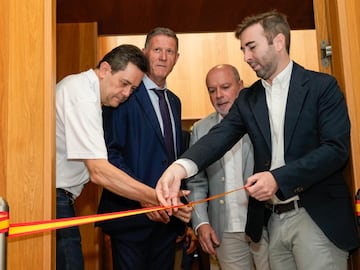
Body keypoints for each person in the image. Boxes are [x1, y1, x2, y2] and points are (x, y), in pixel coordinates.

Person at [156, 10, 360, 270]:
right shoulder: (249, 99)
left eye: (251, 47)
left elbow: (335, 150)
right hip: (272, 222)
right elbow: (219, 136)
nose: (246, 57)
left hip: (316, 217)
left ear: (278, 42)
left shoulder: (322, 87)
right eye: (243, 49)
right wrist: (180, 167)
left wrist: (278, 178)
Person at [56, 44, 170, 270]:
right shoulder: (82, 96)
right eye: (124, 83)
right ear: (105, 69)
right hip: (54, 199)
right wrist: (155, 196)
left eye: (133, 89)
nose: (127, 94)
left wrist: (146, 197)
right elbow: (99, 171)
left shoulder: (87, 94)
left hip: (61, 199)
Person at [97, 27, 192, 270]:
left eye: (169, 51)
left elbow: (174, 158)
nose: (163, 57)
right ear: (144, 52)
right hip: (131, 218)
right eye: (157, 49)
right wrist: (144, 197)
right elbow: (112, 153)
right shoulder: (124, 93)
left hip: (166, 223)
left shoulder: (174, 102)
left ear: (176, 59)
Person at [186, 64, 270, 269]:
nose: (219, 95)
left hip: (266, 224)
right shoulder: (201, 129)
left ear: (240, 86)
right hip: (225, 232)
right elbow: (196, 183)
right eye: (212, 90)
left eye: (225, 87)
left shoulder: (264, 118)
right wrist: (201, 223)